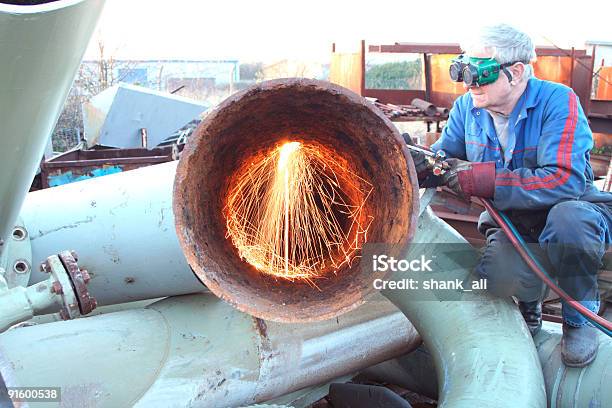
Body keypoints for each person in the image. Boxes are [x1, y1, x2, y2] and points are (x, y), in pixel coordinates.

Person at [410, 24, 612, 367]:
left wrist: (483, 179)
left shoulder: (557, 102)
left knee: (569, 224)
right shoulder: (466, 109)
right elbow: (442, 161)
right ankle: (528, 309)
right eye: (463, 70)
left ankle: (579, 317)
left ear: (515, 72)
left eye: (479, 74)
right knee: (497, 275)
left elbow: (566, 180)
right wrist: (409, 158)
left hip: (571, 211)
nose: (469, 83)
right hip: (513, 223)